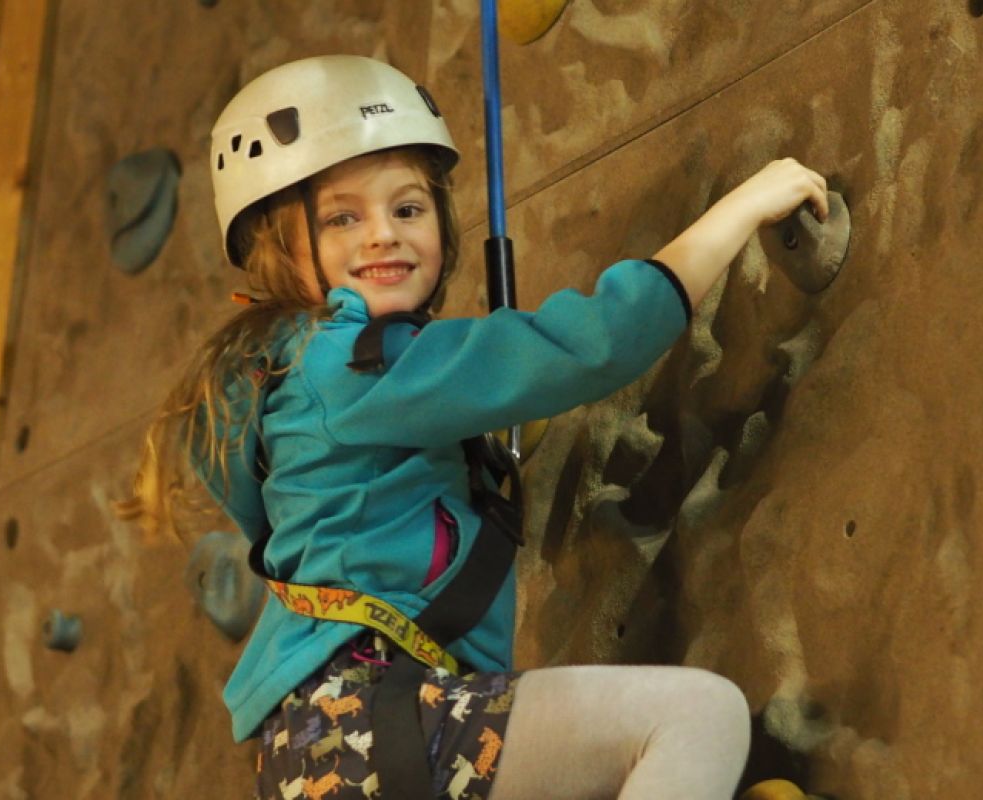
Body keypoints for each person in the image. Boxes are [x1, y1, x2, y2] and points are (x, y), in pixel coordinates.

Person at [124, 54, 828, 800]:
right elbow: (583, 347)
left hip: (318, 752)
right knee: (694, 717)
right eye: (341, 216)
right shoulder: (351, 365)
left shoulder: (286, 387)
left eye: (408, 208)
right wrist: (742, 208)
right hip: (369, 721)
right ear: (279, 245)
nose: (382, 236)